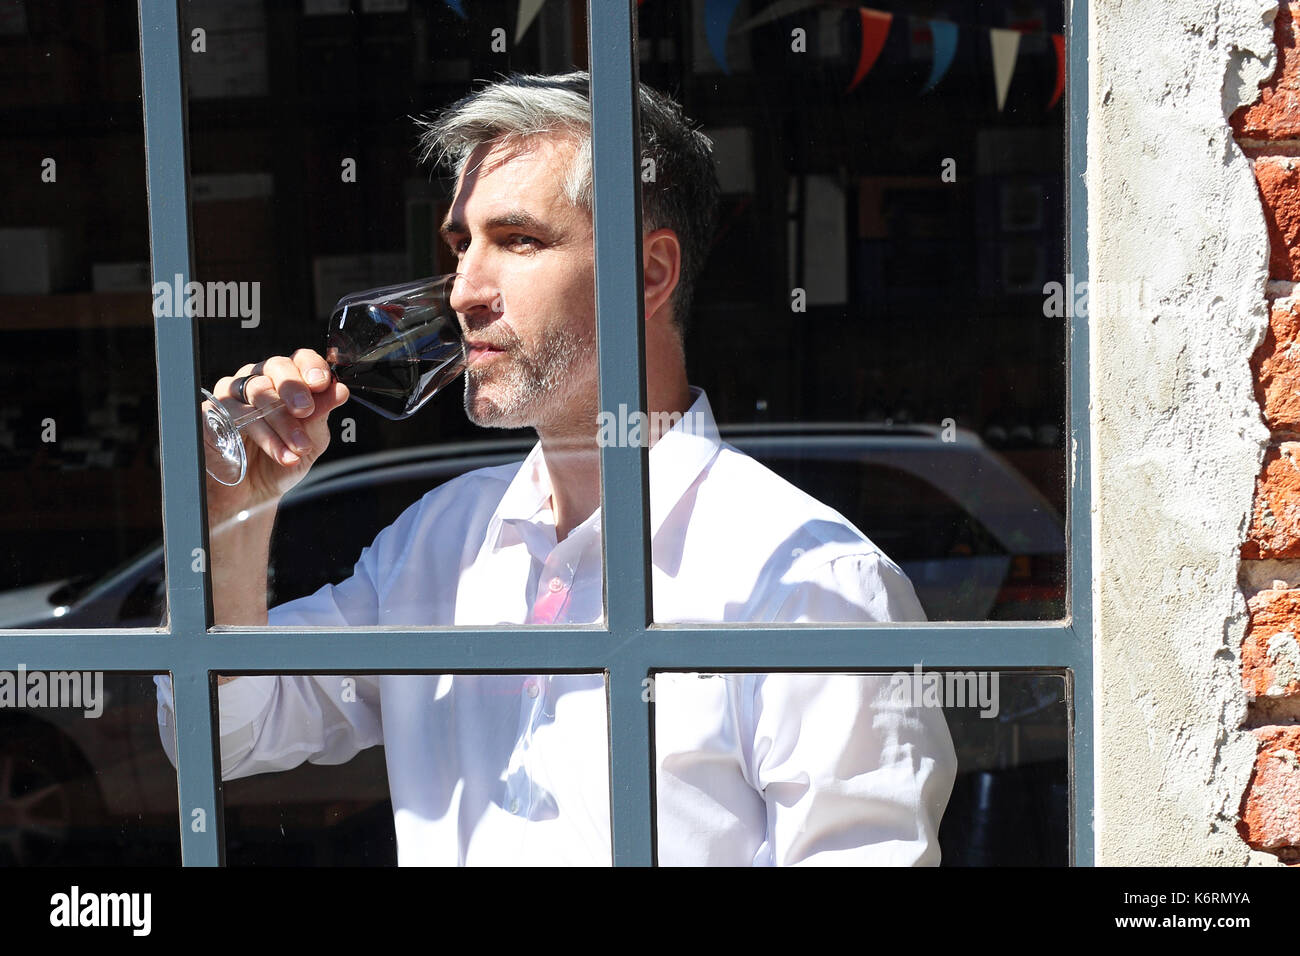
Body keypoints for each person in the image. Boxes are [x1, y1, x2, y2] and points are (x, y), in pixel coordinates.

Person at [155, 71, 956, 866]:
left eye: (518, 241)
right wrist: (234, 511)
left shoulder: (808, 582)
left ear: (650, 274)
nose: (465, 289)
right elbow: (224, 731)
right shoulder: (443, 542)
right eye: (461, 244)